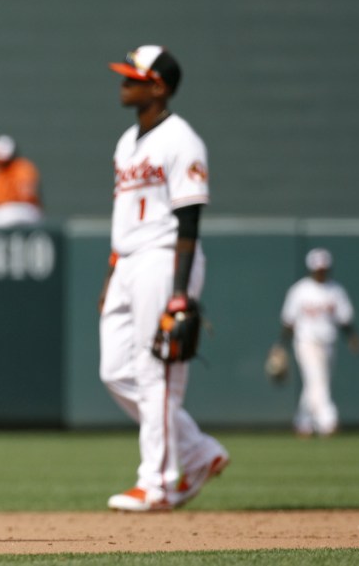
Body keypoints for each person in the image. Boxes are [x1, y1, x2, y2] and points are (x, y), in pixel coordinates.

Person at [98, 45, 229, 512]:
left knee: (158, 375)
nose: (123, 84)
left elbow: (189, 218)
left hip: (164, 255)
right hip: (128, 260)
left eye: (132, 77)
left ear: (158, 86)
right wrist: (112, 276)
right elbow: (122, 216)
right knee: (115, 370)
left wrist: (179, 294)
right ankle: (198, 450)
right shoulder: (126, 141)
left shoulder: (182, 139)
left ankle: (156, 484)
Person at [278, 247, 359, 438]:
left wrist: (352, 336)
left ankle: (303, 423)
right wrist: (281, 345)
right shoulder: (300, 290)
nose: (321, 271)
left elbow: (344, 319)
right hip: (305, 342)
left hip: (329, 343)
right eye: (318, 268)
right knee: (317, 381)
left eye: (324, 268)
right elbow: (288, 321)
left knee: (315, 383)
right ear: (311, 268)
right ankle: (328, 422)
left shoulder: (336, 291)